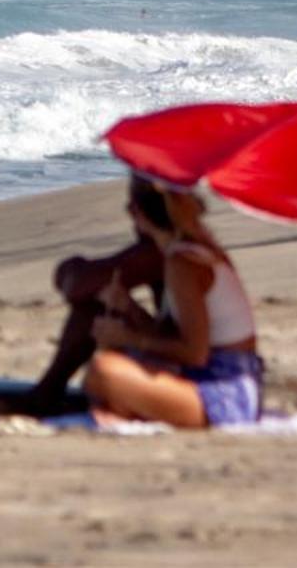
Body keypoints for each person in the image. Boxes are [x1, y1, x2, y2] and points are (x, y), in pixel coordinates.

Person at [81, 177, 263, 429]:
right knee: (116, 361)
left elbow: (195, 353)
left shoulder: (184, 263)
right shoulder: (192, 251)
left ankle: (125, 410)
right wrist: (128, 308)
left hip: (223, 395)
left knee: (103, 370)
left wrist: (128, 338)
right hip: (228, 382)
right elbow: (172, 336)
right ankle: (127, 409)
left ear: (137, 213)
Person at [24, 218, 165, 415]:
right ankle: (48, 391)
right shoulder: (179, 248)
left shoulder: (160, 252)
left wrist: (132, 338)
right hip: (187, 355)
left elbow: (77, 285)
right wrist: (130, 308)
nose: (129, 212)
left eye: (133, 205)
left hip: (194, 369)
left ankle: (47, 392)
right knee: (101, 299)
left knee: (92, 305)